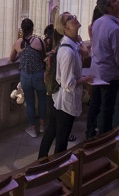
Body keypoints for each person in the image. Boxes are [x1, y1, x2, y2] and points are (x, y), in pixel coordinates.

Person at [39, 13, 93, 159]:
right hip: (65, 102)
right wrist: (86, 79)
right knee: (61, 140)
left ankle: (41, 160)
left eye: (73, 16)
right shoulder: (67, 52)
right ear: (65, 27)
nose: (75, 18)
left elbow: (84, 51)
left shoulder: (72, 44)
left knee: (53, 130)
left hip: (62, 100)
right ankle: (56, 172)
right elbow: (68, 83)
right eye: (70, 19)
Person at [86, 0, 119, 139]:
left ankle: (90, 135)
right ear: (109, 8)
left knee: (95, 105)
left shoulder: (97, 23)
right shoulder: (114, 28)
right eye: (115, 1)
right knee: (108, 109)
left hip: (96, 71)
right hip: (109, 73)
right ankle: (104, 140)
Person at [10, 18, 47, 137]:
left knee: (30, 103)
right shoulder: (38, 41)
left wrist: (21, 55)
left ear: (22, 29)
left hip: (25, 76)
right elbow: (44, 57)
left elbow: (11, 58)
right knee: (42, 100)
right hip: (39, 75)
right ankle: (42, 125)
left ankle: (32, 128)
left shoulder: (18, 43)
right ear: (32, 28)